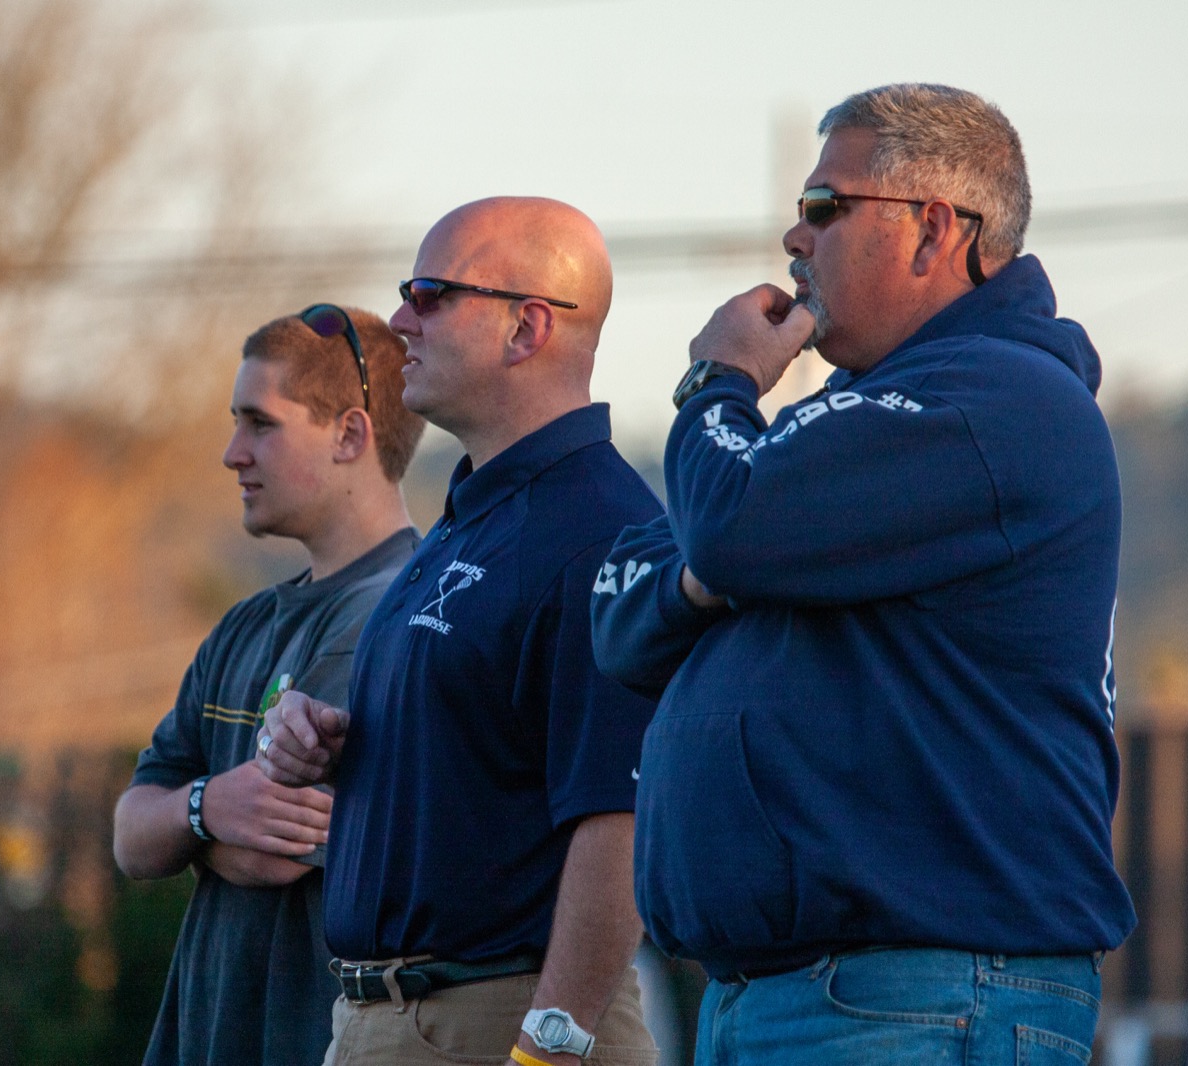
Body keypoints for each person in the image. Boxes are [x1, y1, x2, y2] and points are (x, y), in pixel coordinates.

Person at [591, 83, 1136, 1064]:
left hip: (917, 994)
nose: (793, 238)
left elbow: (725, 525)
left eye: (824, 206)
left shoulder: (992, 400)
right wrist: (712, 565)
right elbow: (624, 610)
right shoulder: (858, 418)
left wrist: (719, 381)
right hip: (812, 996)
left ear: (934, 229)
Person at [256, 197, 661, 1066]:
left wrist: (549, 1046)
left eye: (430, 295)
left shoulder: (599, 531)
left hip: (496, 1023)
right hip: (391, 1019)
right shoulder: (475, 514)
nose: (400, 322)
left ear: (527, 328)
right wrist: (335, 745)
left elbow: (621, 818)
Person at [112, 303, 426, 1066]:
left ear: (349, 434)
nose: (232, 454)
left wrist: (185, 825)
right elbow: (130, 837)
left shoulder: (404, 614)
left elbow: (279, 849)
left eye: (260, 424)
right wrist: (206, 807)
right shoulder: (243, 625)